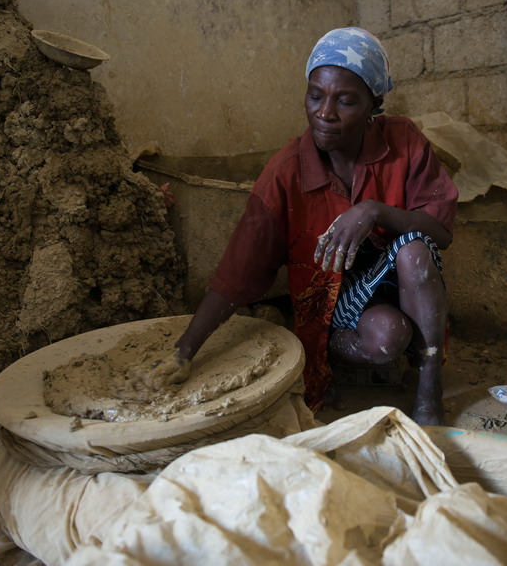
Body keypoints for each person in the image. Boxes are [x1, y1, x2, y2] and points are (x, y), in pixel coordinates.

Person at [155, 27, 458, 425]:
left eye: (345, 100)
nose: (324, 112)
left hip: (398, 281)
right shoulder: (285, 173)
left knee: (415, 250)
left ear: (374, 104)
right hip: (337, 302)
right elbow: (238, 270)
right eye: (315, 95)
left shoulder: (404, 141)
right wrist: (184, 352)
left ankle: (428, 389)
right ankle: (333, 351)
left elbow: (441, 231)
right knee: (387, 335)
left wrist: (373, 210)